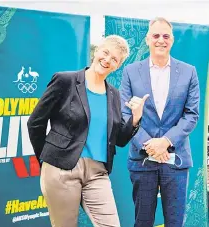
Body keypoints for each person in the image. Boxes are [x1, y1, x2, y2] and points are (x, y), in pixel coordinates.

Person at [27, 35, 149, 227]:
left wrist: (135, 118)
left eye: (114, 59)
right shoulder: (65, 81)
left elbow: (119, 140)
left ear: (117, 66)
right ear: (96, 51)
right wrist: (46, 159)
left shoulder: (114, 95)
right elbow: (35, 122)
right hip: (61, 169)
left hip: (97, 173)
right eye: (105, 52)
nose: (107, 60)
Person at [120, 17, 200, 227]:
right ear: (148, 39)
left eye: (166, 36)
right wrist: (151, 145)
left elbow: (191, 115)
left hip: (176, 160)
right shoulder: (130, 72)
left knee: (174, 222)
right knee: (143, 222)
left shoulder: (188, 72)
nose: (161, 40)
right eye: (156, 35)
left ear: (172, 40)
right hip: (142, 159)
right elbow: (125, 114)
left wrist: (165, 141)